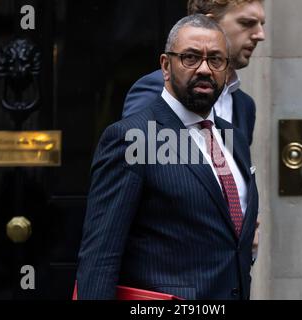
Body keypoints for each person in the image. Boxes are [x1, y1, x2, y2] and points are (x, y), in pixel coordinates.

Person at [76, 14, 259, 300]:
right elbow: (101, 255)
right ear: (165, 65)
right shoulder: (131, 138)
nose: (204, 69)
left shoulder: (232, 138)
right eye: (190, 57)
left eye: (216, 60)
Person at [122, 0, 266, 147]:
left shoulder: (244, 106)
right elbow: (133, 157)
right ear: (210, 23)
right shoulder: (157, 89)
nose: (260, 35)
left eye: (262, 24)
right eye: (247, 23)